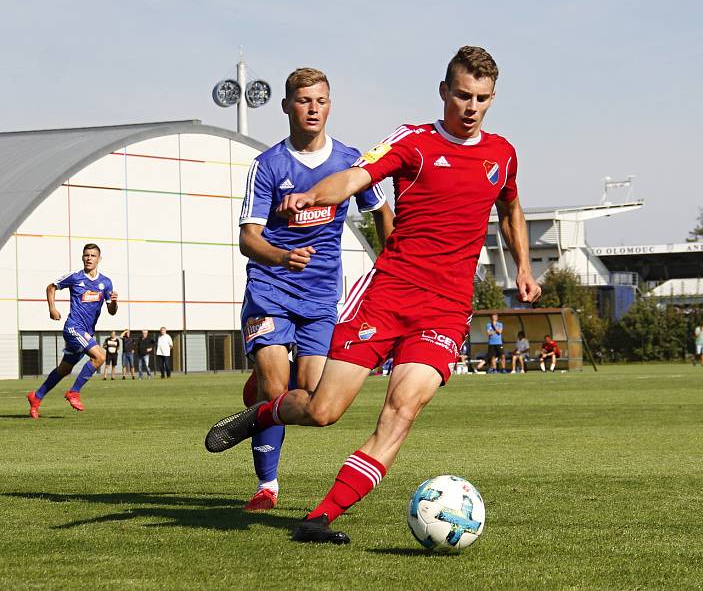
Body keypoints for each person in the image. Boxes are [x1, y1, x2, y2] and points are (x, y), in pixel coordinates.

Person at [206, 46, 541, 544]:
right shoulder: (413, 141)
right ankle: (264, 414)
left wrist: (524, 267)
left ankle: (318, 519)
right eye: (464, 95)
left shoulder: (502, 154)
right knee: (323, 411)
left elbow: (511, 209)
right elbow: (356, 176)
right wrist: (315, 195)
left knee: (402, 410)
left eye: (483, 99)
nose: (472, 107)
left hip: (445, 310)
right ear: (444, 91)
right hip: (386, 295)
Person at [234, 67, 393, 512]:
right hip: (270, 287)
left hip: (322, 297)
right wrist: (282, 257)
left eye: (321, 101)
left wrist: (390, 260)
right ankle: (267, 487)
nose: (313, 109)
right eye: (304, 101)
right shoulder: (268, 166)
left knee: (311, 395)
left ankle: (260, 391)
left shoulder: (349, 161)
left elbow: (381, 211)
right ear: (287, 106)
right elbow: (248, 237)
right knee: (275, 387)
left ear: (330, 105)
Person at [26, 243, 117, 417]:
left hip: (86, 332)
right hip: (74, 328)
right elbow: (51, 287)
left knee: (64, 369)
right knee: (100, 356)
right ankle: (74, 392)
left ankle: (36, 397)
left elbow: (111, 312)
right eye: (86, 255)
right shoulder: (75, 277)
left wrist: (114, 302)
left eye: (92, 255)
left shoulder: (105, 283)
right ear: (82, 257)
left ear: (99, 259)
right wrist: (52, 308)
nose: (89, 258)